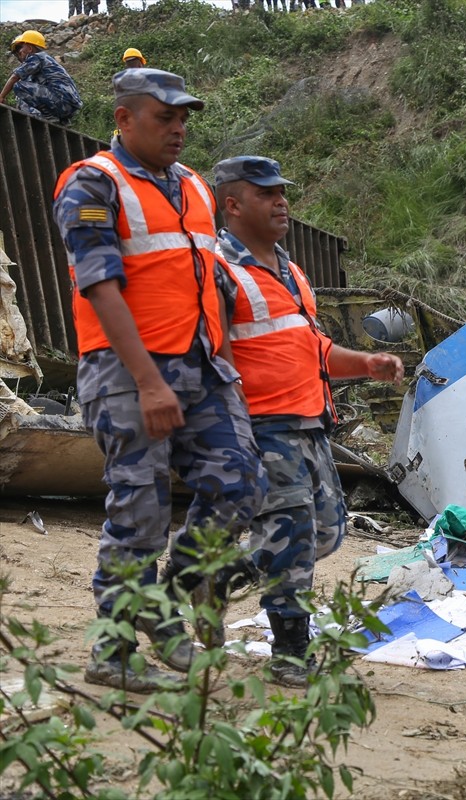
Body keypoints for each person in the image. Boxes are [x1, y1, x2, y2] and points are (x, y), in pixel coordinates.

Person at [53, 69, 266, 693]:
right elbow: (99, 283)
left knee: (241, 483)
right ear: (124, 119)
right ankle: (114, 652)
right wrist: (147, 381)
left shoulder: (194, 186)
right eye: (164, 117)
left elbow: (213, 282)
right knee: (139, 508)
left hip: (203, 368)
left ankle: (168, 592)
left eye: (183, 119)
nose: (178, 129)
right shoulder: (94, 182)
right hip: (129, 371)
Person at [211, 156, 404, 687]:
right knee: (294, 534)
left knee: (326, 532)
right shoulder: (219, 271)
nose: (282, 202)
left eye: (282, 192)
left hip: (312, 423)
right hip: (261, 426)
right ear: (233, 205)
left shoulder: (291, 272)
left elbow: (312, 347)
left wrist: (364, 363)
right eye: (266, 193)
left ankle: (217, 577)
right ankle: (291, 652)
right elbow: (209, 355)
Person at [1, 31, 83, 126]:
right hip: (68, 107)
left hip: (61, 101)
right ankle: (60, 121)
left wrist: (1, 96)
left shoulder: (37, 57)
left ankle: (48, 117)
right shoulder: (46, 62)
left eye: (20, 48)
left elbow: (15, 77)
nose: (18, 53)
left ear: (30, 48)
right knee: (23, 94)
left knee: (19, 86)